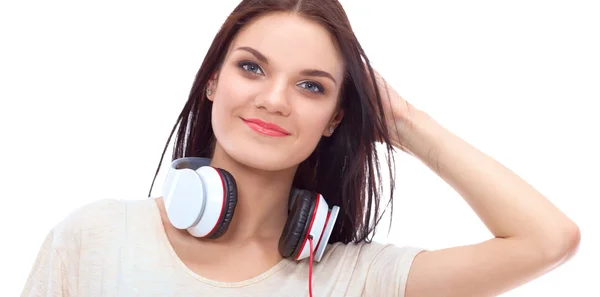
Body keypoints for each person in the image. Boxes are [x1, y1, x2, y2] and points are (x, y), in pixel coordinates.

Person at [21, 1, 580, 296]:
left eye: (311, 85)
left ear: (336, 117)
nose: (274, 99)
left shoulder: (354, 278)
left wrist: (405, 121)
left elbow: (548, 240)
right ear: (213, 82)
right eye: (251, 68)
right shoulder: (95, 238)